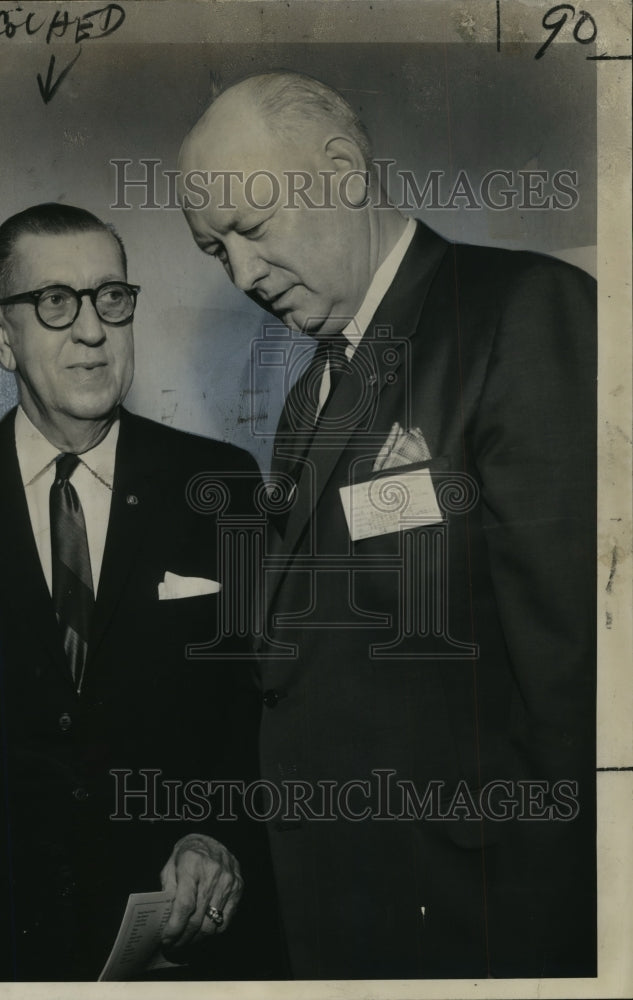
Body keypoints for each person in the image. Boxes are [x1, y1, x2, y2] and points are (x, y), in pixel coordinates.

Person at [178, 71, 597, 979]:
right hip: (339, 905)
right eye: (216, 252)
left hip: (479, 918)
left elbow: (578, 679)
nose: (242, 275)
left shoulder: (517, 312)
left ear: (342, 169)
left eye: (251, 229)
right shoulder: (307, 398)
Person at [0, 203, 272, 982]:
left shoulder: (220, 486)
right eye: (55, 302)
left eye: (111, 297)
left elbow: (255, 719)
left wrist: (217, 837)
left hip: (177, 959)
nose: (91, 329)